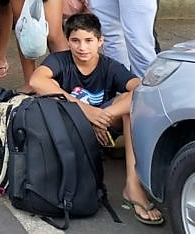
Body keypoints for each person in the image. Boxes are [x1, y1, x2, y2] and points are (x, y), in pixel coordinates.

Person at [29, 13, 164, 226]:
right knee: (49, 89)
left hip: (104, 122)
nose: (82, 47)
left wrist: (102, 116)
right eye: (75, 40)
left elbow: (140, 89)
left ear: (100, 41)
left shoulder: (109, 65)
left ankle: (133, 187)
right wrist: (85, 112)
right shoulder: (59, 60)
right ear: (67, 41)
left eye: (89, 40)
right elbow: (36, 81)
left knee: (135, 106)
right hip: (71, 124)